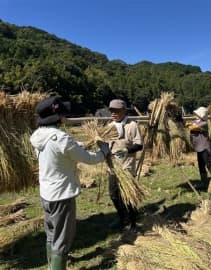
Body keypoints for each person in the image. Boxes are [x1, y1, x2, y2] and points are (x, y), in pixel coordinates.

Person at [30, 96, 110, 270]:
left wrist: (79, 144)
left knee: (51, 235)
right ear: (57, 116)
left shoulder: (37, 136)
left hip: (46, 194)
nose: (65, 117)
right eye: (63, 114)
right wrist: (103, 151)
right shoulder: (61, 138)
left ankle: (51, 266)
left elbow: (62, 150)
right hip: (61, 196)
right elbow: (88, 159)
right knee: (62, 240)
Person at [107, 99, 143, 231]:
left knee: (129, 196)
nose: (113, 113)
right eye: (111, 111)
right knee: (114, 195)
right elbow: (106, 144)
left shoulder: (132, 125)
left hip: (127, 167)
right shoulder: (109, 126)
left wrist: (127, 150)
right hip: (112, 167)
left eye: (116, 110)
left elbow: (139, 145)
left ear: (124, 111)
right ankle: (123, 218)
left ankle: (133, 223)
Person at [185, 106, 211, 188]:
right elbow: (188, 124)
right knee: (201, 165)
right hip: (198, 148)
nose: (195, 115)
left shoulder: (204, 123)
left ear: (201, 115)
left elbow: (193, 127)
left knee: (209, 165)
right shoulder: (196, 121)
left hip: (205, 148)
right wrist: (186, 123)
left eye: (196, 114)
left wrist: (189, 124)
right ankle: (204, 182)